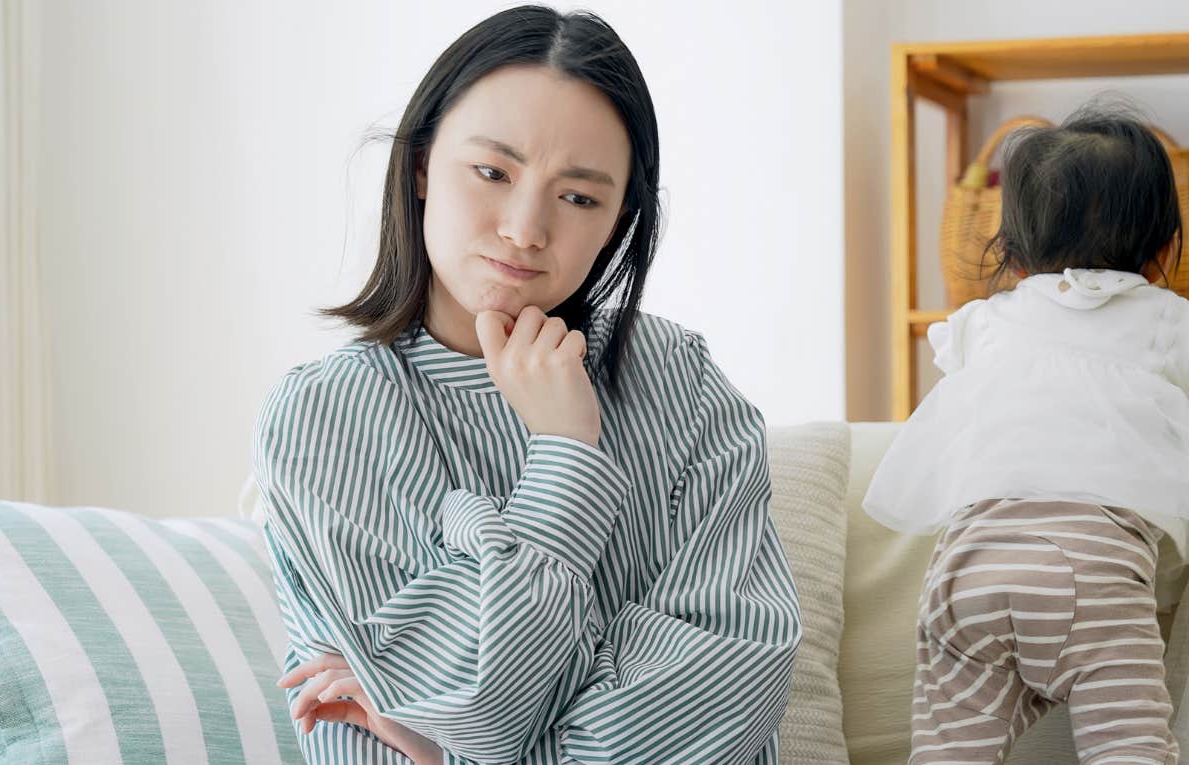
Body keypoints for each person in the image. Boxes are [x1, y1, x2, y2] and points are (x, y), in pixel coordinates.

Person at [251, 7, 801, 763]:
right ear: (419, 165)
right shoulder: (325, 418)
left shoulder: (679, 380)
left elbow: (728, 685)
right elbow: (486, 708)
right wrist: (566, 455)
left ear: (617, 221)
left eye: (578, 197)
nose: (524, 227)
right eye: (492, 172)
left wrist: (446, 743)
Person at [864, 105, 1189, 764]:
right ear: (1166, 250)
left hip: (966, 570)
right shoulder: (1168, 323)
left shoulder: (985, 323)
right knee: (1129, 747)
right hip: (1092, 571)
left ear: (1009, 254)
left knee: (950, 752)